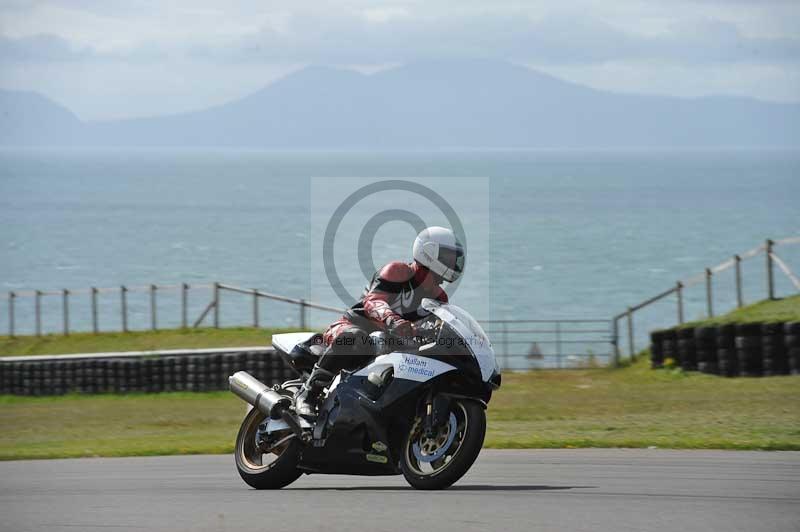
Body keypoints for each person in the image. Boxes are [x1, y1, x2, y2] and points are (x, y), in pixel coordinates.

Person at [294, 226, 465, 417]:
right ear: (429, 251)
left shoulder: (439, 297)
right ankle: (308, 395)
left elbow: (437, 328)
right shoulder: (398, 271)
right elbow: (373, 301)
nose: (452, 262)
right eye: (448, 256)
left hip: (390, 346)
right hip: (351, 328)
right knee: (356, 338)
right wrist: (393, 320)